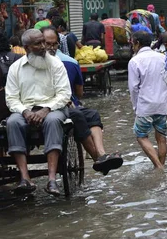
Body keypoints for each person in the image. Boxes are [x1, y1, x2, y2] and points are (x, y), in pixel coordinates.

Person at [43, 27, 123, 174]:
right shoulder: (62, 62)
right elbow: (77, 93)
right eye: (47, 44)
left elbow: (68, 92)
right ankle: (97, 157)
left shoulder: (60, 63)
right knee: (78, 115)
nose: (51, 48)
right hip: (47, 107)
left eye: (54, 44)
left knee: (92, 114)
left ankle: (101, 154)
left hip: (63, 103)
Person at [5, 29, 71, 196]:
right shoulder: (15, 68)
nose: (43, 47)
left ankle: (51, 180)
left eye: (43, 42)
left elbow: (64, 94)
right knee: (13, 122)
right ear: (26, 48)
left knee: (53, 121)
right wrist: (25, 111)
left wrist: (46, 109)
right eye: (37, 44)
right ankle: (25, 177)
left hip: (53, 108)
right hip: (25, 109)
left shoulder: (56, 64)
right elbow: (11, 98)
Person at [128, 31, 167, 169]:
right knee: (161, 136)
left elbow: (133, 88)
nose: (132, 46)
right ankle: (161, 165)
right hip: (162, 104)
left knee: (141, 135)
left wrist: (135, 106)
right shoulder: (163, 58)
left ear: (137, 43)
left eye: (132, 43)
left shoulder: (134, 61)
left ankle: (158, 166)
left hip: (145, 105)